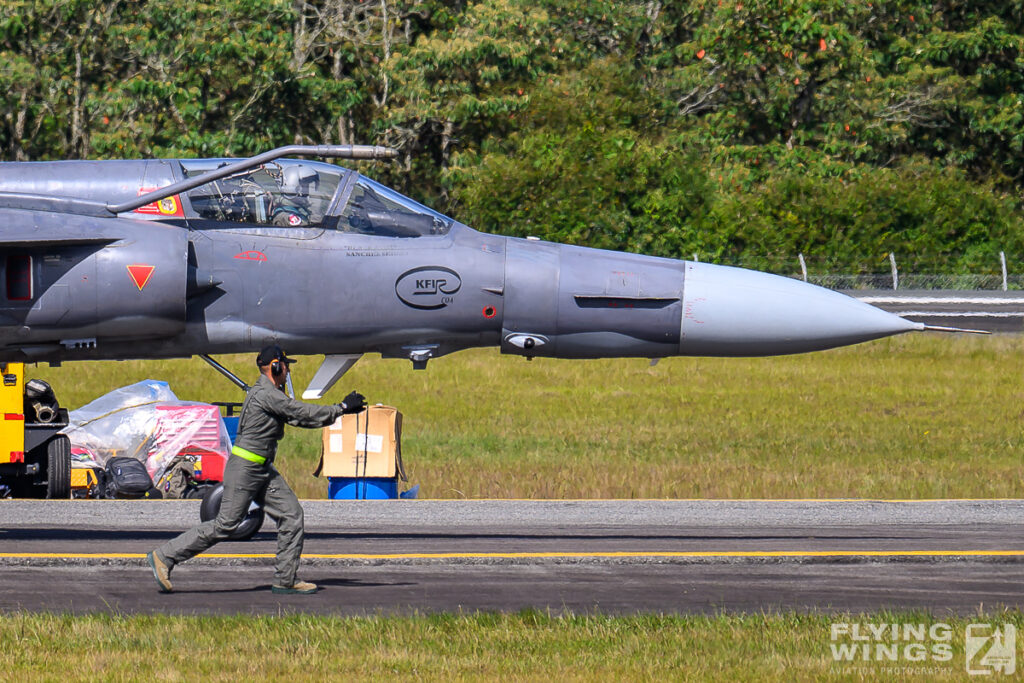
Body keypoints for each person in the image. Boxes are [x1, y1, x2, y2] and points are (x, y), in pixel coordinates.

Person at [146, 345, 365, 594]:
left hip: (261, 469)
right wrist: (342, 408)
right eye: (286, 365)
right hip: (246, 469)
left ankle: (286, 579)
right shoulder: (267, 394)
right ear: (275, 366)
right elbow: (301, 412)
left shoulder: (271, 393)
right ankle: (165, 556)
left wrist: (338, 412)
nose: (288, 370)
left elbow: (298, 418)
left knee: (291, 515)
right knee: (225, 525)